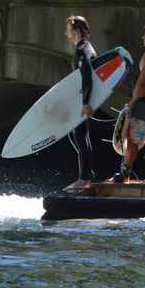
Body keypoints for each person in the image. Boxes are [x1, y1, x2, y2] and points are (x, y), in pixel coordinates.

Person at [114, 21, 145, 183]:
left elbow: (142, 83)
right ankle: (138, 173)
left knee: (134, 139)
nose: (143, 38)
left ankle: (139, 174)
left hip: (144, 102)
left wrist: (133, 102)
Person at [63, 15, 97, 192]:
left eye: (68, 29)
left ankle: (83, 179)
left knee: (81, 137)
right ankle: (86, 177)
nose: (66, 33)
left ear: (75, 30)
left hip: (82, 100)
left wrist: (85, 102)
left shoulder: (82, 49)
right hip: (82, 98)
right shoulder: (87, 47)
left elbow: (87, 77)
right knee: (83, 137)